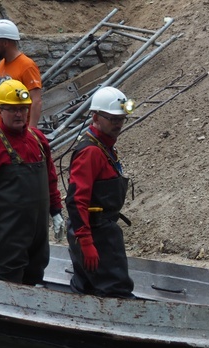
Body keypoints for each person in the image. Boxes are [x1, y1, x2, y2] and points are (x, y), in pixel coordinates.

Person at [0, 79, 64, 284]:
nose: (19, 114)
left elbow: (50, 178)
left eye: (22, 109)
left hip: (38, 232)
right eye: (12, 109)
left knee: (36, 274)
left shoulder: (38, 139)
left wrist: (56, 211)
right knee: (8, 280)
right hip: (9, 234)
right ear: (0, 110)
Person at [65, 86, 136, 298]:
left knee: (85, 286)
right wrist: (86, 242)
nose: (118, 124)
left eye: (121, 119)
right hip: (95, 233)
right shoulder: (91, 152)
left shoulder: (104, 147)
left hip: (97, 229)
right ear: (95, 117)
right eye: (113, 119)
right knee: (115, 289)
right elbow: (76, 200)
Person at [0, 19, 43, 130]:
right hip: (1, 133)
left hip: (19, 133)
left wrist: (31, 131)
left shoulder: (27, 65)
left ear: (5, 43)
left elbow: (36, 100)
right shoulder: (1, 64)